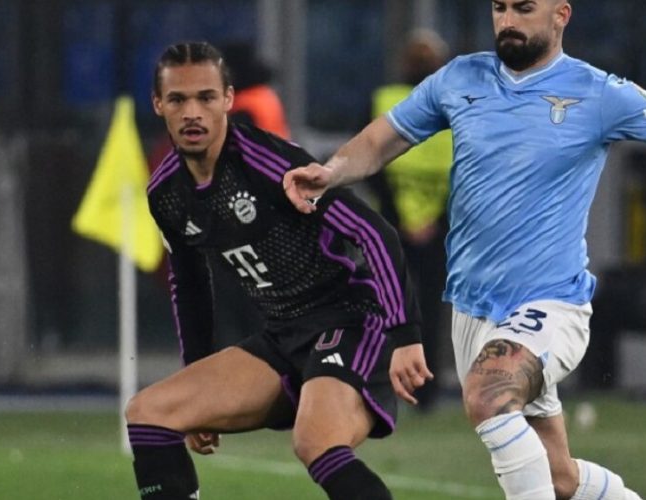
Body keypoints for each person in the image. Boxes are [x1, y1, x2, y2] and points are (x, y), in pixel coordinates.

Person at [283, 1, 646, 499]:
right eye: (499, 8)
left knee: (486, 392)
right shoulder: (460, 78)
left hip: (550, 305)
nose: (507, 21)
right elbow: (383, 139)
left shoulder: (600, 93)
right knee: (558, 477)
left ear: (561, 14)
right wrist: (330, 173)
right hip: (474, 309)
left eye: (523, 8)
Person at [127, 41, 431, 500]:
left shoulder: (267, 163)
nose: (193, 112)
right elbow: (189, 284)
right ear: (158, 105)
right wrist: (198, 378)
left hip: (348, 321)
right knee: (148, 412)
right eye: (178, 99)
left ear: (228, 99)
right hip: (281, 337)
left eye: (206, 98)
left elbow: (374, 233)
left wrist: (405, 334)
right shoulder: (166, 191)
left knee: (315, 442)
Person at [368, 29, 453, 411]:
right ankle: (424, 392)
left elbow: (369, 159)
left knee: (389, 305)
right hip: (434, 226)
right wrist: (432, 219)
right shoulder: (454, 106)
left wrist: (397, 214)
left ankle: (389, 386)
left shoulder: (384, 99)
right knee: (427, 312)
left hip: (397, 226)